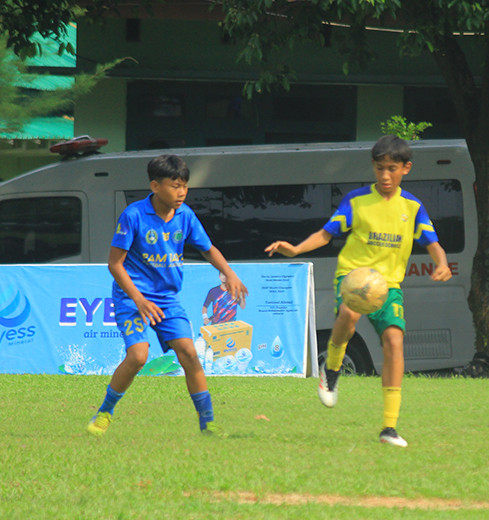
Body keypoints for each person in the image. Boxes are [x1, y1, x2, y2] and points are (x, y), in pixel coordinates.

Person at [264, 135, 452, 447]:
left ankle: (389, 428)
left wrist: (441, 263)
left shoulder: (413, 207)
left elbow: (433, 243)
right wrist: (296, 249)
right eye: (380, 168)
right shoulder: (356, 200)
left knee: (394, 342)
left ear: (406, 168)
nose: (385, 175)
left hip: (388, 286)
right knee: (349, 314)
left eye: (392, 168)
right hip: (353, 277)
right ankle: (333, 369)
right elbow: (326, 235)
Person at [87, 154, 247, 436]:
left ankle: (207, 422)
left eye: (184, 185)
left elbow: (207, 249)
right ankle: (104, 413)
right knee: (138, 356)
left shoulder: (186, 216)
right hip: (132, 297)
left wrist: (229, 273)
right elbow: (115, 264)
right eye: (175, 186)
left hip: (166, 299)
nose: (181, 192)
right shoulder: (134, 215)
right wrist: (138, 299)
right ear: (155, 186)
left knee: (189, 353)